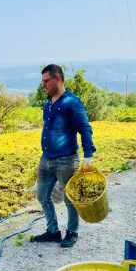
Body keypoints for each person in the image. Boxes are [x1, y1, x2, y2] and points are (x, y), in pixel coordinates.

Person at [32, 64, 96, 248]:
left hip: (66, 160)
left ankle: (72, 232)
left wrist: (88, 155)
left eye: (46, 81)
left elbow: (84, 129)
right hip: (46, 159)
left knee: (70, 198)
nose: (43, 85)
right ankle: (53, 231)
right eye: (42, 81)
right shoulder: (48, 103)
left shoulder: (72, 102)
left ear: (57, 79)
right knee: (42, 195)